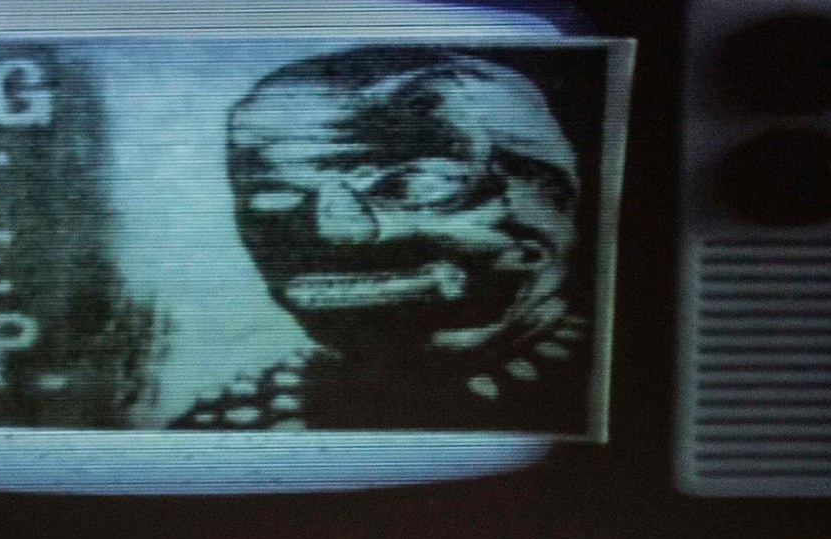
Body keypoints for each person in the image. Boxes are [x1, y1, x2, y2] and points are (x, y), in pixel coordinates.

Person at [174, 46, 594, 433]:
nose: (335, 232)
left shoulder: (600, 390)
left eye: (406, 187)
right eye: (274, 198)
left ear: (544, 205)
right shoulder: (232, 423)